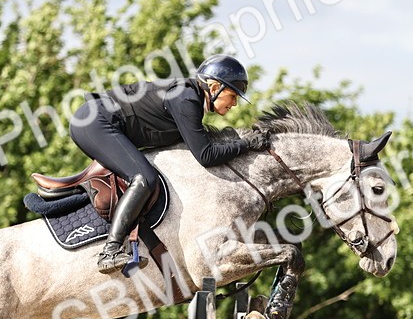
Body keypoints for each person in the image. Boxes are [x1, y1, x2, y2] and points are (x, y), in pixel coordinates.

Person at [69, 54, 270, 274]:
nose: (234, 104)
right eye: (232, 95)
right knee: (144, 179)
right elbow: (206, 156)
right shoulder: (187, 99)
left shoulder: (188, 97)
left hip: (100, 121)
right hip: (94, 121)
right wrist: (246, 145)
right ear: (214, 88)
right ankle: (110, 251)